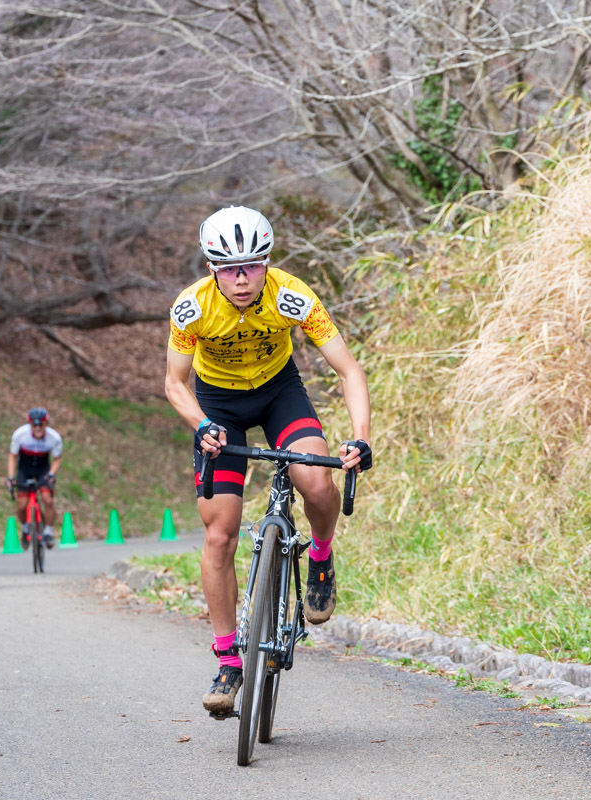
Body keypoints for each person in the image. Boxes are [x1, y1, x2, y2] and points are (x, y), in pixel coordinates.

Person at [164, 205, 372, 716]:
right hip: (219, 407)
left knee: (317, 482)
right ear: (212, 267)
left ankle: (320, 558)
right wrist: (202, 425)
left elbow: (349, 371)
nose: (241, 278)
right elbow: (174, 383)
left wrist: (360, 439)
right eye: (229, 268)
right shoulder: (190, 309)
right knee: (220, 533)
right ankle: (227, 660)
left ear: (267, 262)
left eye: (252, 265)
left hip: (280, 394)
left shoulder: (292, 295)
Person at [6, 407, 63, 550]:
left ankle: (48, 532)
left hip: (43, 468)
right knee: (21, 505)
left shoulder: (54, 438)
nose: (38, 428)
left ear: (46, 424)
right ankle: (25, 529)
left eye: (41, 425)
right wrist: (11, 476)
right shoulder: (20, 435)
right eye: (34, 425)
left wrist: (51, 474)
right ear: (29, 424)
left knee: (48, 499)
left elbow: (57, 459)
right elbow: (13, 456)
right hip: (25, 468)